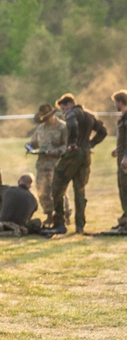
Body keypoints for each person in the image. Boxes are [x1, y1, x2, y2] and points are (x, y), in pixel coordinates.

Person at [49, 93, 107, 234]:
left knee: (57, 186)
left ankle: (60, 223)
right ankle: (80, 226)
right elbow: (103, 132)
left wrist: (73, 143)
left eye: (63, 109)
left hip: (73, 154)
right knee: (80, 190)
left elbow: (72, 125)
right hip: (85, 155)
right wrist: (90, 144)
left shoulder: (72, 113)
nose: (63, 112)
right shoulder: (89, 115)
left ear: (69, 104)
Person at [27, 104, 68, 227]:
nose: (46, 120)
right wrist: (29, 147)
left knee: (57, 191)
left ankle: (63, 215)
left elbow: (67, 145)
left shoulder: (62, 128)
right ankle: (49, 215)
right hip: (42, 165)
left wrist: (56, 151)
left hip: (56, 164)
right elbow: (34, 143)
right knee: (42, 191)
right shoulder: (40, 129)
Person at [110, 90, 127, 231]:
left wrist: (126, 156)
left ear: (120, 102)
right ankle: (125, 219)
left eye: (115, 101)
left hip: (126, 160)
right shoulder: (123, 117)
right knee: (122, 188)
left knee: (125, 188)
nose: (114, 104)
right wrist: (118, 150)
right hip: (122, 156)